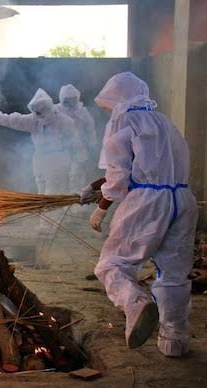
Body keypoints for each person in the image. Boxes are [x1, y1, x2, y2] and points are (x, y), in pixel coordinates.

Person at [78, 72, 197, 357]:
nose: (109, 109)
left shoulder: (123, 123)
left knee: (111, 265)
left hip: (147, 202)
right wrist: (96, 186)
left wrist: (101, 207)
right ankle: (174, 341)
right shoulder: (164, 122)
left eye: (110, 103)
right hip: (181, 197)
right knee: (174, 273)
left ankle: (135, 302)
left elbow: (119, 179)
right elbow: (148, 165)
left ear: (119, 98)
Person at [0, 89, 84, 196]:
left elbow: (75, 141)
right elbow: (17, 120)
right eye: (35, 111)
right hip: (40, 159)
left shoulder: (64, 122)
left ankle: (52, 212)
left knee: (53, 192)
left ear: (46, 108)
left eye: (38, 111)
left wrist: (79, 159)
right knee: (41, 192)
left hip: (58, 160)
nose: (36, 114)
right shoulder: (34, 120)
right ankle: (45, 212)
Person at [55, 84, 96, 191]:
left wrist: (92, 144)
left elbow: (90, 129)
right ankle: (61, 199)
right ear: (62, 98)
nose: (70, 102)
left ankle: (75, 199)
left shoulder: (82, 112)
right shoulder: (55, 110)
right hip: (59, 148)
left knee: (76, 175)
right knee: (60, 175)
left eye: (73, 99)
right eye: (68, 99)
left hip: (78, 148)